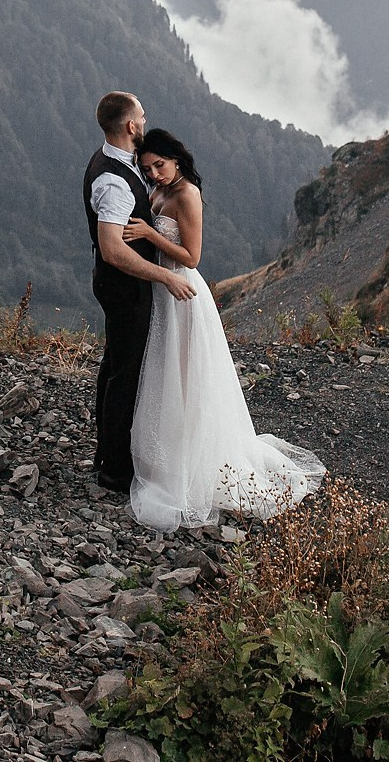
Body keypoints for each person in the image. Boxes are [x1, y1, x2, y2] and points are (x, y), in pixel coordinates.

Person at [124, 127, 326, 531]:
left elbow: (193, 256)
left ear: (176, 158)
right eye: (148, 169)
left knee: (186, 378)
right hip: (164, 291)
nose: (155, 174)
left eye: (159, 165)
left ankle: (194, 459)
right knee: (166, 373)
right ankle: (169, 453)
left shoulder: (187, 195)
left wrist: (148, 233)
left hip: (183, 292)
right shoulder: (159, 191)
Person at [84, 91, 195, 493]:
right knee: (126, 376)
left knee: (115, 367)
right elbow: (114, 249)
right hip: (125, 288)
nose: (145, 122)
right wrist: (164, 277)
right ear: (131, 125)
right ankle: (115, 472)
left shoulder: (120, 165)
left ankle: (107, 455)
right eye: (142, 117)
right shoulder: (114, 180)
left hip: (119, 286)